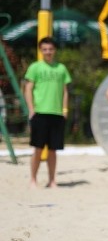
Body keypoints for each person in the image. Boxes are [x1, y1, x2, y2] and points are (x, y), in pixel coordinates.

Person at [23, 37, 72, 188]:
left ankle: (52, 180)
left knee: (53, 150)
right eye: (45, 49)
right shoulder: (35, 67)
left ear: (54, 50)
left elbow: (65, 91)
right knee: (38, 149)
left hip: (57, 113)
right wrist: (31, 110)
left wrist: (64, 110)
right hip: (40, 112)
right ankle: (33, 179)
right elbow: (28, 89)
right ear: (40, 51)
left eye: (50, 49)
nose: (48, 52)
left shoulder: (61, 68)